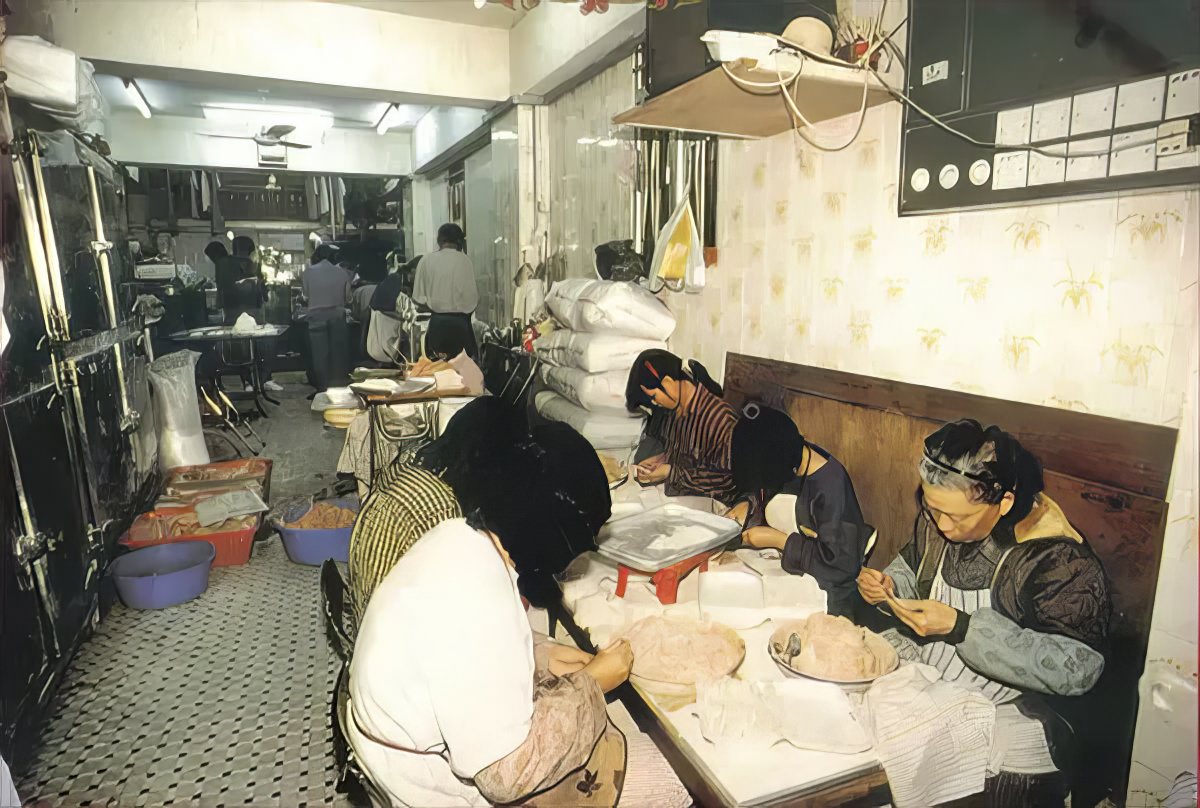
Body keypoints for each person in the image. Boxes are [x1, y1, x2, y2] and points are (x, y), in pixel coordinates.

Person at [347, 424, 634, 807]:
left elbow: (452, 649)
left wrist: (536, 655)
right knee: (654, 775)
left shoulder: (458, 535)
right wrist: (593, 684)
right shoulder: (478, 591)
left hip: (392, 745)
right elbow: (506, 775)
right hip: (423, 788)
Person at [856, 419, 1111, 803]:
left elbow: (1077, 668)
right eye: (932, 508)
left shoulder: (1056, 558)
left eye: (956, 517)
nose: (941, 525)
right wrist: (887, 588)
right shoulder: (939, 516)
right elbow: (910, 569)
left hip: (1015, 714)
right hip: (938, 679)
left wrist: (962, 628)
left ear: (1003, 502)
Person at [347, 397, 524, 620]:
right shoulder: (442, 512)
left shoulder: (411, 461)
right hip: (389, 631)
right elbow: (456, 601)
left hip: (367, 610)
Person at [727, 402, 872, 616]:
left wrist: (780, 541)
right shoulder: (786, 456)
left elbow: (841, 568)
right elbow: (761, 487)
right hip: (785, 572)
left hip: (827, 596)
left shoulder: (830, 486)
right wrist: (746, 503)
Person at [625, 349, 737, 504]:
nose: (655, 403)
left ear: (668, 383)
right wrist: (661, 459)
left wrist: (671, 472)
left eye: (654, 397)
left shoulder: (720, 418)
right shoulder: (674, 413)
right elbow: (685, 455)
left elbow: (726, 480)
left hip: (712, 508)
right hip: (678, 499)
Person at [210, 236, 280, 392]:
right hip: (252, 309)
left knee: (239, 347)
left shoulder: (223, 264)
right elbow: (261, 287)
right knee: (258, 344)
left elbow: (222, 286)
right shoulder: (253, 264)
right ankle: (263, 379)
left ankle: (248, 381)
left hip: (231, 310)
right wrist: (264, 294)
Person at [413, 224, 479, 359]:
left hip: (438, 326)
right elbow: (472, 300)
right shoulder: (465, 261)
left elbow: (418, 300)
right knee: (462, 372)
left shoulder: (426, 261)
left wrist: (437, 305)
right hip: (461, 326)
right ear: (459, 242)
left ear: (439, 240)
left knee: (437, 369)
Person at [303, 243, 352, 392]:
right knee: (337, 352)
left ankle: (322, 388)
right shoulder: (343, 272)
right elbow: (348, 298)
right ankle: (337, 386)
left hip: (316, 316)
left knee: (319, 354)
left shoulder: (308, 272)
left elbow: (306, 295)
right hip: (337, 315)